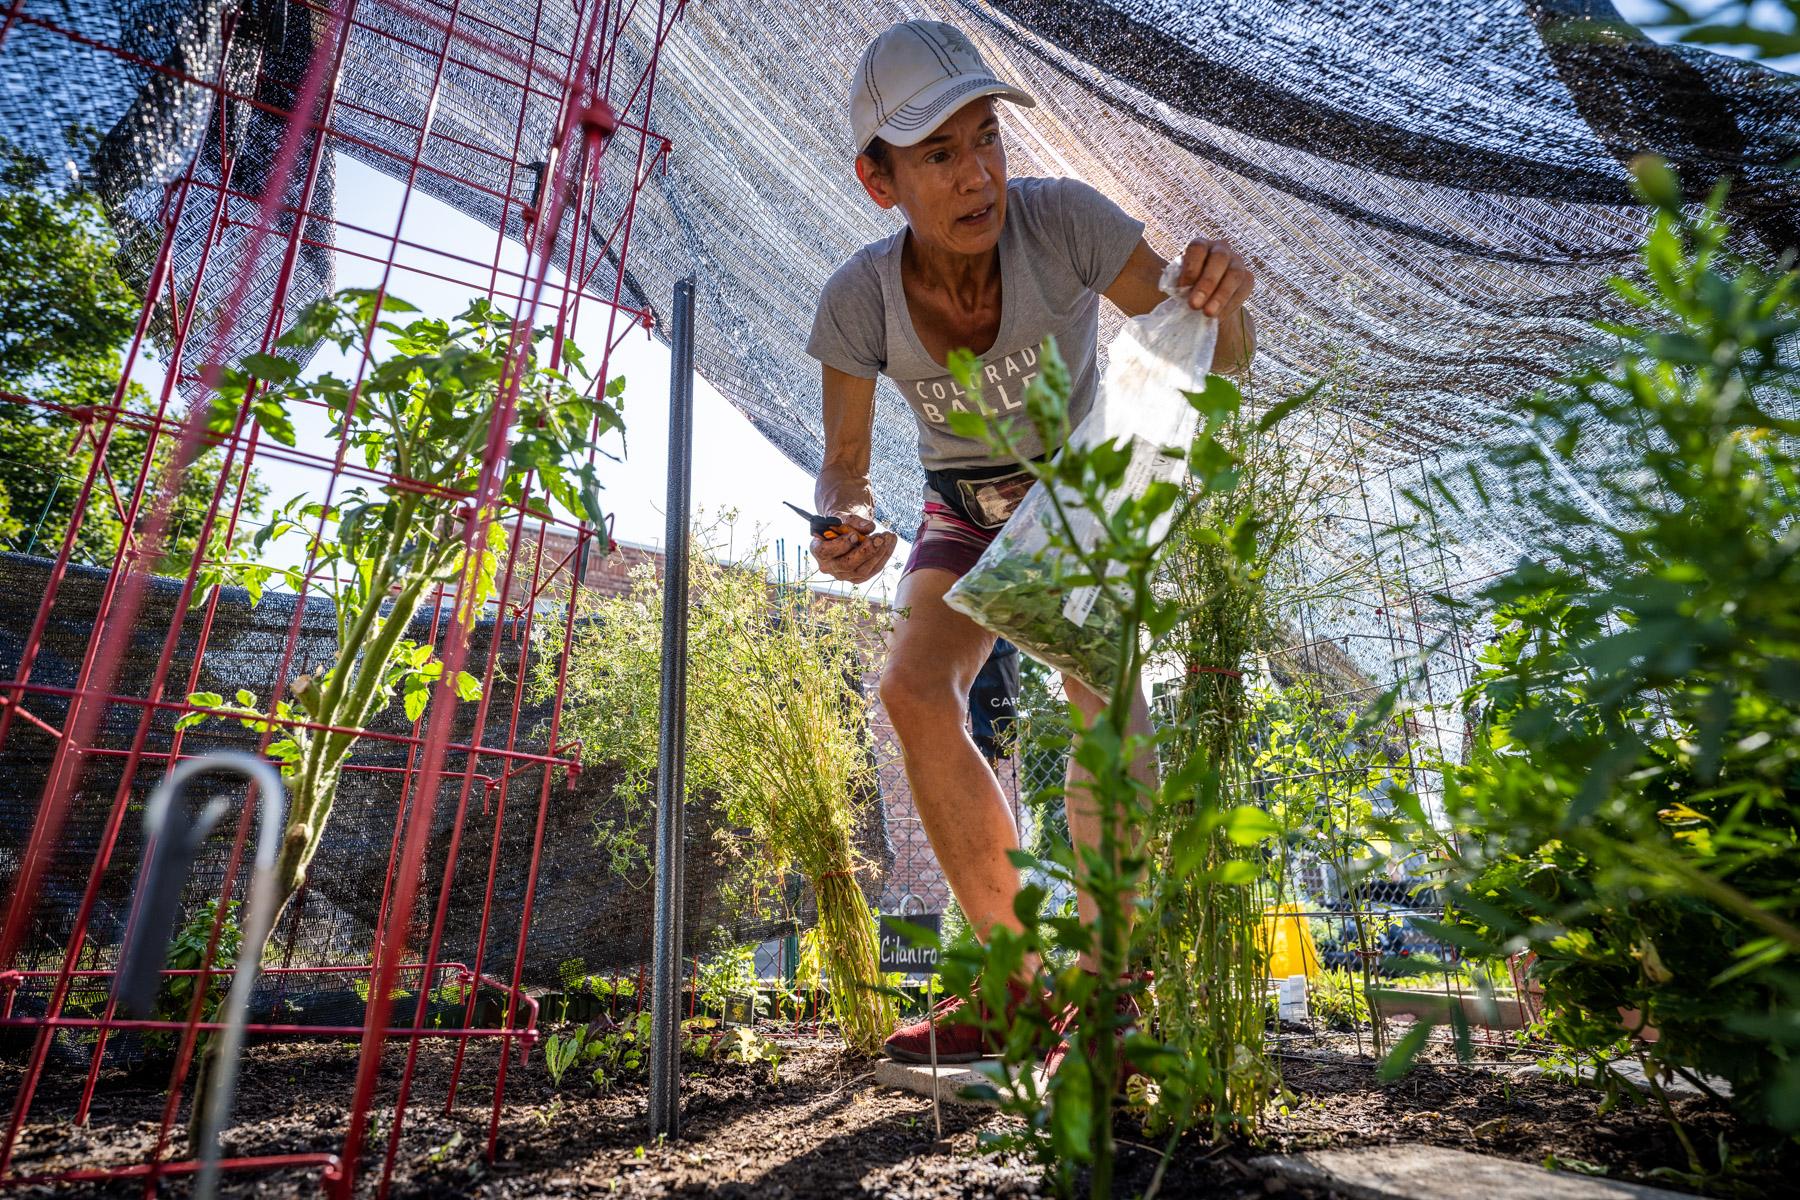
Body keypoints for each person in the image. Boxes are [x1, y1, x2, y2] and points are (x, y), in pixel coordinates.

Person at [805, 20, 1256, 1064]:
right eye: (938, 155)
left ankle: (1106, 992)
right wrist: (850, 522)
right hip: (962, 505)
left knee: (1104, 690)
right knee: (912, 692)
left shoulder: (1062, 223)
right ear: (881, 184)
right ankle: (1018, 980)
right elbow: (844, 467)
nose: (977, 176)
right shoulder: (857, 298)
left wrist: (1224, 297)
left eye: (985, 140)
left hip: (1085, 484)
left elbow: (1205, 353)